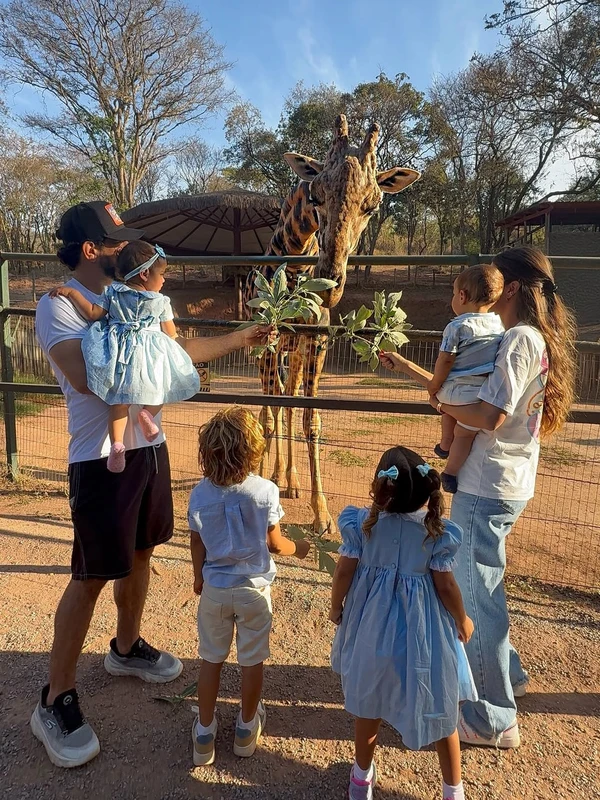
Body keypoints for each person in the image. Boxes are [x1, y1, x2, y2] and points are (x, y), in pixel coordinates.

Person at [33, 201, 272, 769]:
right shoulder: (58, 306)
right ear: (92, 250)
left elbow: (171, 355)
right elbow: (91, 378)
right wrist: (134, 329)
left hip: (149, 451)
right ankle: (53, 698)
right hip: (99, 459)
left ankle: (125, 647)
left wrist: (241, 338)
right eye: (116, 242)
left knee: (142, 553)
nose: (128, 250)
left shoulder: (134, 306)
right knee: (90, 575)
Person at [380, 246, 577, 748]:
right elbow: (471, 399)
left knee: (477, 593)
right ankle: (507, 675)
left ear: (509, 288)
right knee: (483, 582)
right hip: (504, 480)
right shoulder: (521, 340)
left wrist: (440, 403)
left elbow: (485, 416)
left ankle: (493, 717)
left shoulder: (516, 340)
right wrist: (417, 376)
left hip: (487, 485)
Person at [330, 445, 476, 800]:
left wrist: (336, 608)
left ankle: (360, 779)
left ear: (380, 488)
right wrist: (462, 618)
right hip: (423, 633)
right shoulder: (435, 533)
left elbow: (344, 572)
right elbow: (446, 585)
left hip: (372, 629)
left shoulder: (363, 526)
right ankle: (452, 790)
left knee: (369, 703)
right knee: (440, 702)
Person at [189, 407, 310, 766]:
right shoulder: (265, 491)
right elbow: (275, 543)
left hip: (215, 590)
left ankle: (204, 733)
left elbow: (197, 543)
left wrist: (199, 576)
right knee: (251, 660)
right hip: (254, 591)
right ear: (254, 451)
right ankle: (245, 728)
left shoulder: (199, 495)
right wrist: (298, 548)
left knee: (211, 659)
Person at [50, 240, 200, 472]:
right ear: (145, 273)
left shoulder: (113, 293)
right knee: (160, 387)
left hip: (120, 356)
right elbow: (171, 334)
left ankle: (117, 445)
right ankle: (147, 414)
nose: (164, 279)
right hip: (148, 358)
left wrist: (72, 293)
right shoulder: (161, 301)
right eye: (162, 274)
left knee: (119, 402)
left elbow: (92, 314)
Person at [427, 264, 504, 494]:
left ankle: (444, 444)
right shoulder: (499, 324)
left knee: (448, 409)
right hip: (481, 393)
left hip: (454, 390)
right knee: (466, 434)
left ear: (462, 296)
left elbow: (446, 360)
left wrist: (435, 384)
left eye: (453, 293)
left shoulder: (457, 326)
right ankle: (450, 473)